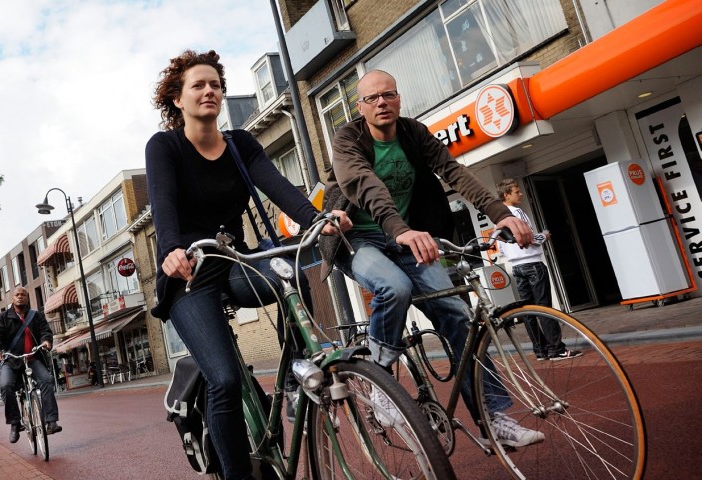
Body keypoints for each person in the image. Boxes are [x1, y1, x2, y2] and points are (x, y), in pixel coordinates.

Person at [145, 49, 350, 480]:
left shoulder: (240, 143)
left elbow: (277, 186)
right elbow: (163, 207)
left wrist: (316, 218)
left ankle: (295, 382)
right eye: (198, 85)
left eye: (215, 85)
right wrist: (170, 251)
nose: (209, 91)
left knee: (286, 273)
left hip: (236, 260)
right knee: (224, 381)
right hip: (189, 275)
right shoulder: (165, 147)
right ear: (178, 99)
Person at [320, 69, 544, 448]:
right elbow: (363, 182)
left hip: (408, 237)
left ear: (399, 98)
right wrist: (398, 228)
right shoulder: (348, 139)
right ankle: (379, 380)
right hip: (357, 237)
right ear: (360, 107)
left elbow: (454, 171)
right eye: (372, 98)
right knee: (394, 286)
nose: (381, 103)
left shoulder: (413, 133)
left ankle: (493, 421)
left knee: (457, 313)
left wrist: (499, 212)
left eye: (388, 95)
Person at [497, 178, 581, 361]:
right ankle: (556, 349)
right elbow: (530, 237)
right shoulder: (517, 213)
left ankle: (540, 350)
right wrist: (544, 236)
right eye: (516, 191)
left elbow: (501, 247)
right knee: (544, 308)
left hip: (517, 268)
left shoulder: (498, 217)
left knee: (527, 310)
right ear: (506, 194)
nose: (520, 194)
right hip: (533, 264)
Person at [0, 287, 63, 443]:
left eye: (23, 294)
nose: (20, 297)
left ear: (27, 298)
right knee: (5, 385)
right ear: (12, 299)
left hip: (32, 358)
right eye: (17, 295)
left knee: (46, 380)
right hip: (11, 361)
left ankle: (51, 421)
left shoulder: (35, 316)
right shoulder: (3, 318)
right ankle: (15, 423)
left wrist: (46, 341)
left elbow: (45, 331)